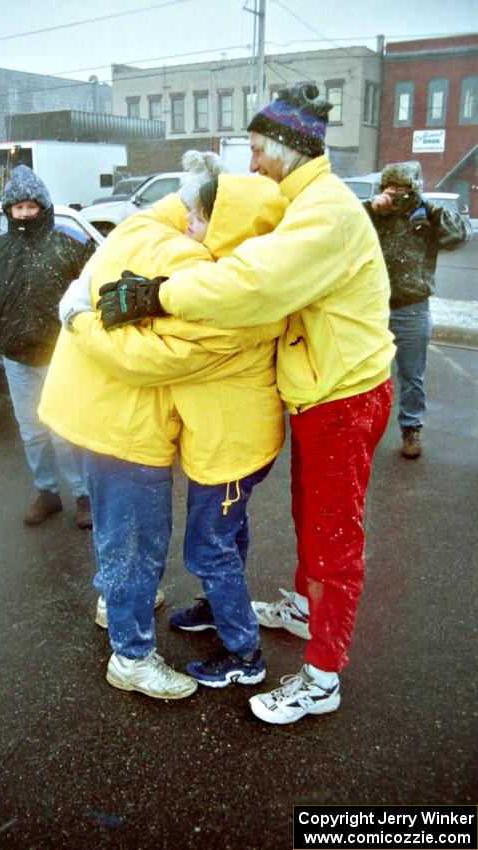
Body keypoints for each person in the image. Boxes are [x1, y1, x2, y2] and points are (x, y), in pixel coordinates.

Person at [98, 85, 396, 725]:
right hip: (324, 393)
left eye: (259, 149)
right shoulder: (305, 201)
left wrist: (158, 295)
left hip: (343, 397)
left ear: (288, 147)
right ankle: (309, 611)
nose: (254, 163)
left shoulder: (324, 213)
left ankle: (321, 677)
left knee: (333, 535)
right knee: (310, 518)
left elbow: (253, 281)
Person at [39, 155, 288, 700]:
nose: (191, 224)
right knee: (137, 542)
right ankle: (131, 656)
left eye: (202, 218)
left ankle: (118, 603)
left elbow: (172, 213)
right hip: (122, 423)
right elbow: (141, 361)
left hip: (99, 408)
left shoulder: (146, 231)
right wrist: (82, 317)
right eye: (194, 215)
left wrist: (77, 312)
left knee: (130, 534)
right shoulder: (200, 269)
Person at [0, 164, 95, 528]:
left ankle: (84, 496)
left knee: (64, 433)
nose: (24, 214)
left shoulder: (70, 244)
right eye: (17, 207)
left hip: (61, 357)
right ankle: (47, 492)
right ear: (8, 210)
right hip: (16, 358)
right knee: (32, 431)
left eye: (31, 207)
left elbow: (95, 293)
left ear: (43, 207)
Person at [363, 162, 466, 459]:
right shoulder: (373, 214)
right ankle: (366, 429)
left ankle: (411, 429)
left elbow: (459, 236)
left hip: (413, 309)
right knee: (367, 375)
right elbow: (339, 224)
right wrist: (371, 207)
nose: (394, 196)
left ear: (413, 190)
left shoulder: (425, 216)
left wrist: (428, 207)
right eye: (388, 188)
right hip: (373, 309)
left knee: (412, 376)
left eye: (401, 190)